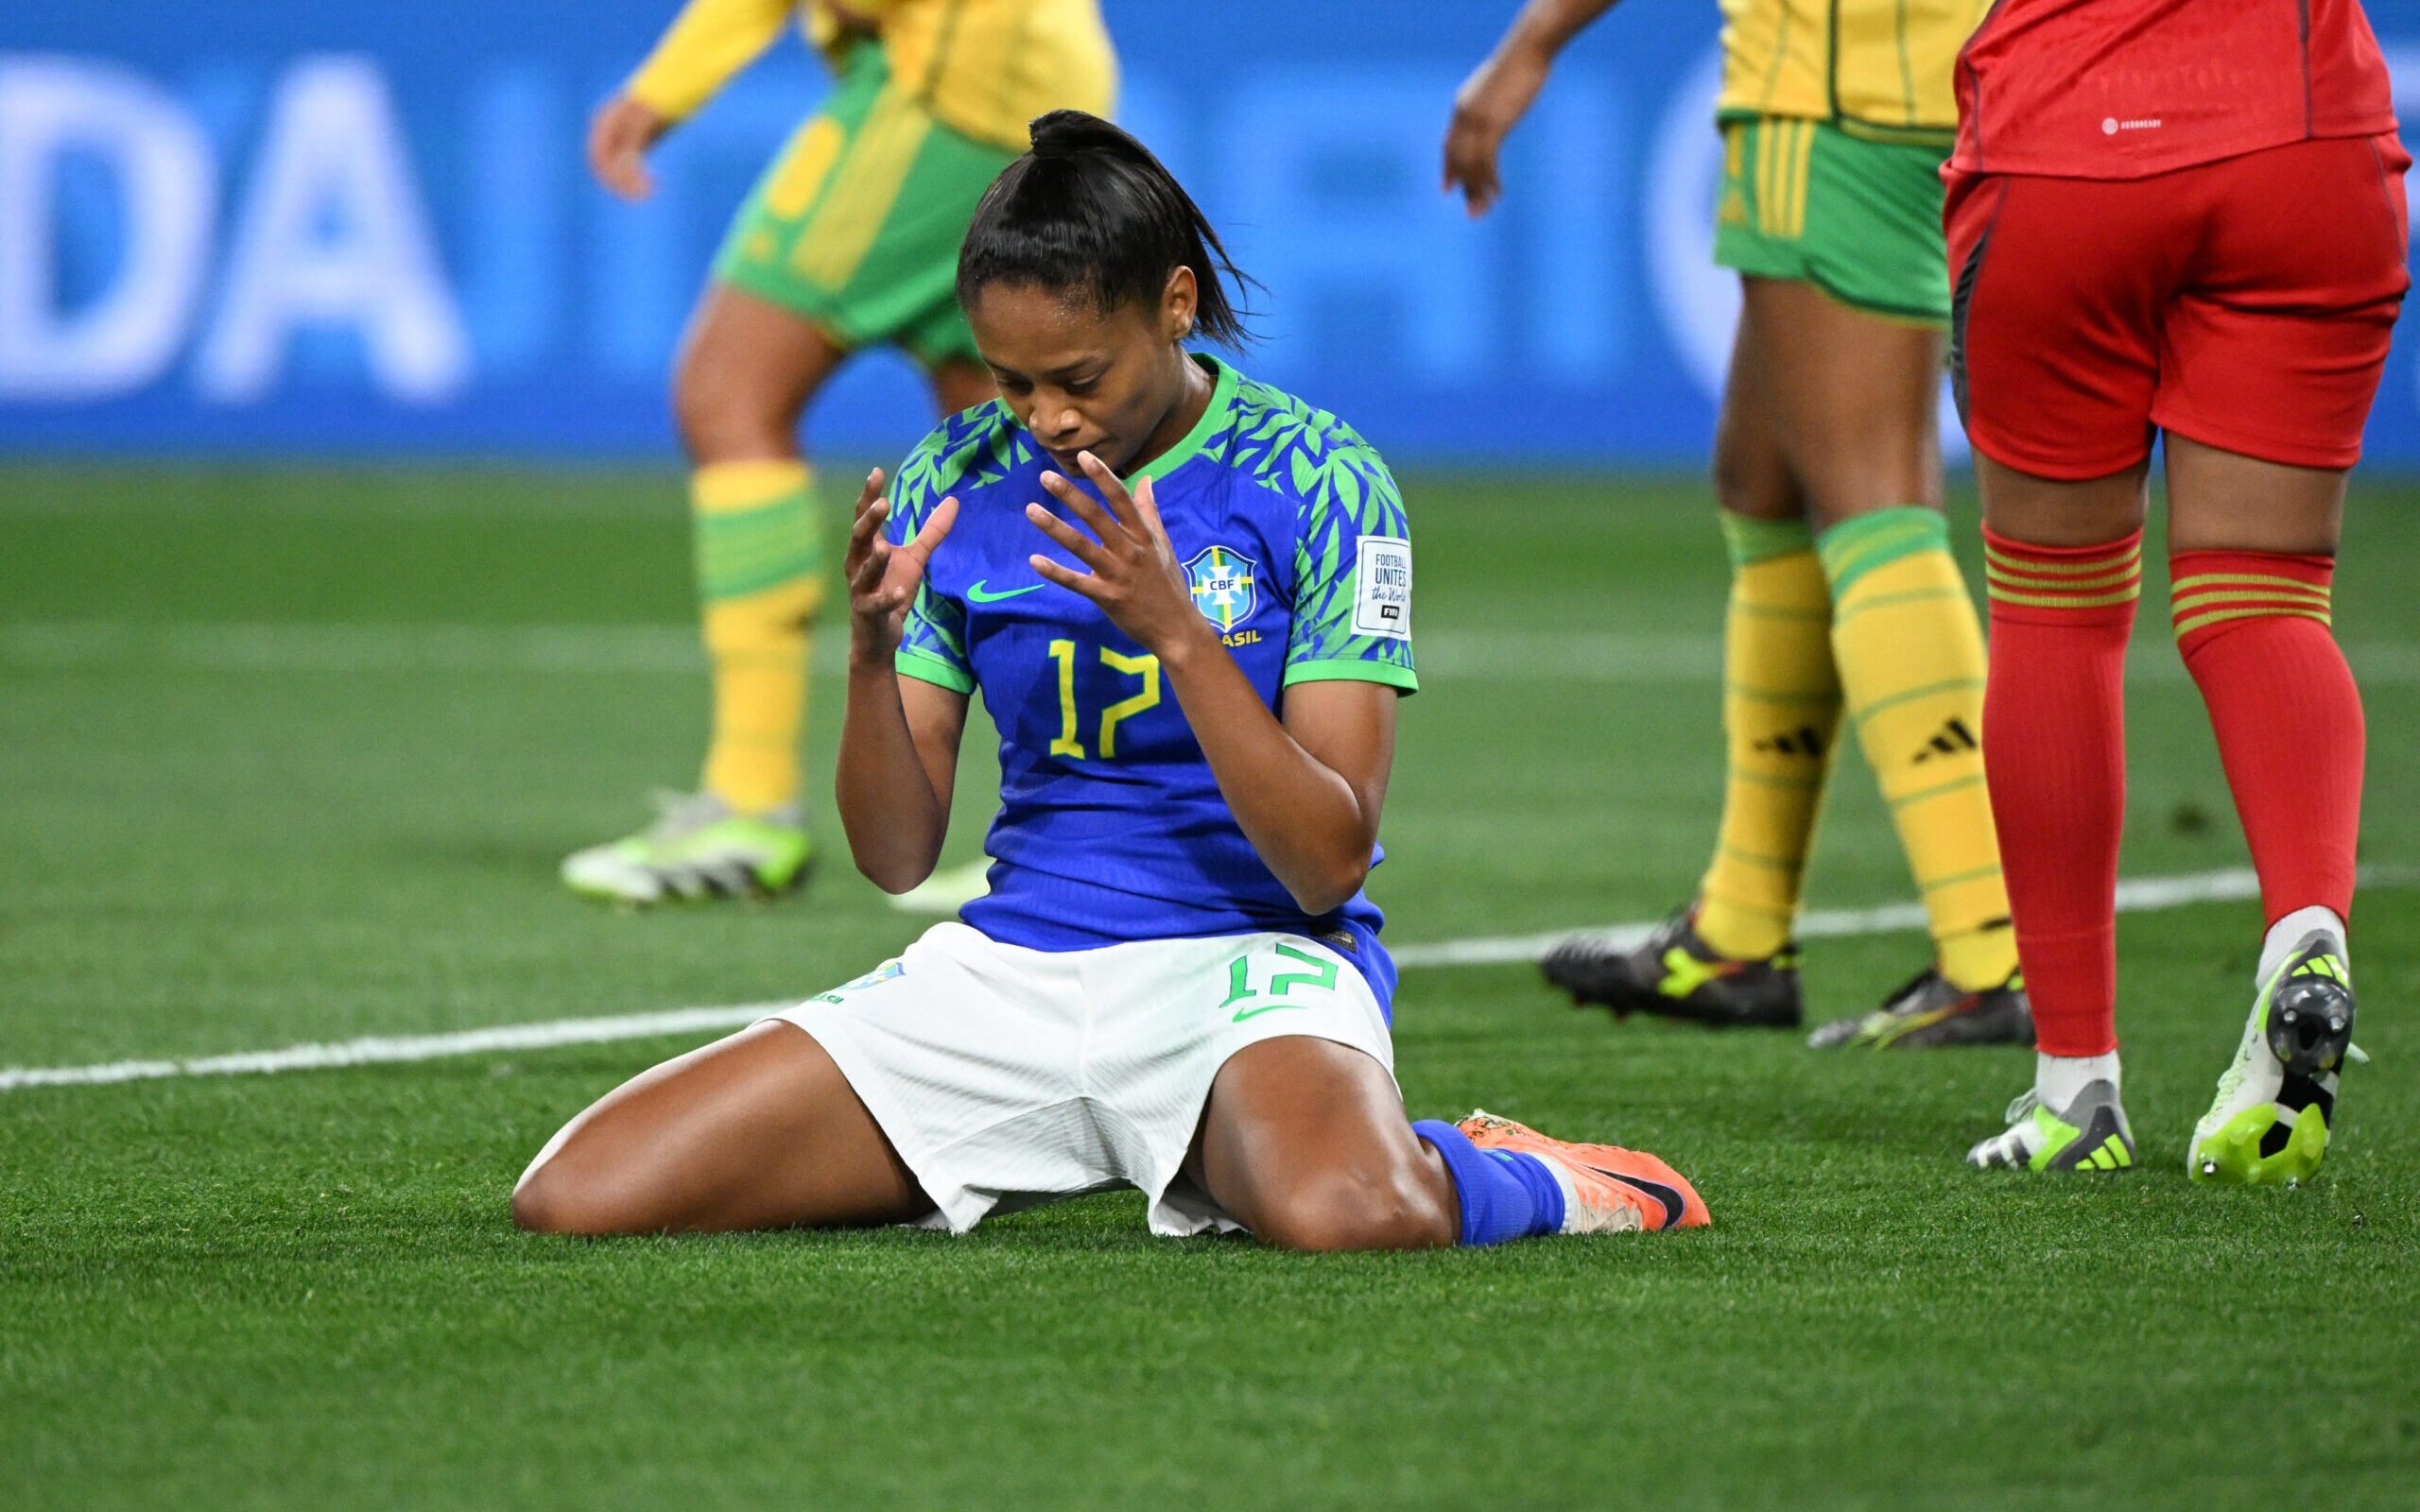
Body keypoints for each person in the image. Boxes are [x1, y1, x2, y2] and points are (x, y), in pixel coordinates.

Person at [512, 112, 1712, 1247]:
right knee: (577, 1194)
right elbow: (891, 856)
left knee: (1357, 1212)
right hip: (1010, 972)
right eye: (1009, 381)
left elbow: (1328, 860)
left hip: (1248, 970)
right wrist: (870, 656)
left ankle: (1519, 1170)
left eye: (1077, 378)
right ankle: (1128, 1140)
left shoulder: (1319, 479)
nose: (1044, 419)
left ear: (1174, 305)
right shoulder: (955, 477)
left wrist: (1174, 630)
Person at [1443, 0, 2029, 1048]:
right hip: (1957, 76)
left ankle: (1988, 950)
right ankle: (1741, 934)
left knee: (1873, 500)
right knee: (1762, 484)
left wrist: (1529, 43)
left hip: (1835, 91)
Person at [1950, 0, 2402, 1178]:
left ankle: (2075, 1090)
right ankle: (2306, 927)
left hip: (2061, 145)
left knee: (2054, 610)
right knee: (2265, 596)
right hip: (2304, 140)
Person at [562, 0, 1115, 904]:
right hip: (1032, 76)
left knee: (729, 388)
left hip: (949, 79)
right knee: (1013, 447)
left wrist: (668, 88)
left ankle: (748, 800)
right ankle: (1083, 823)